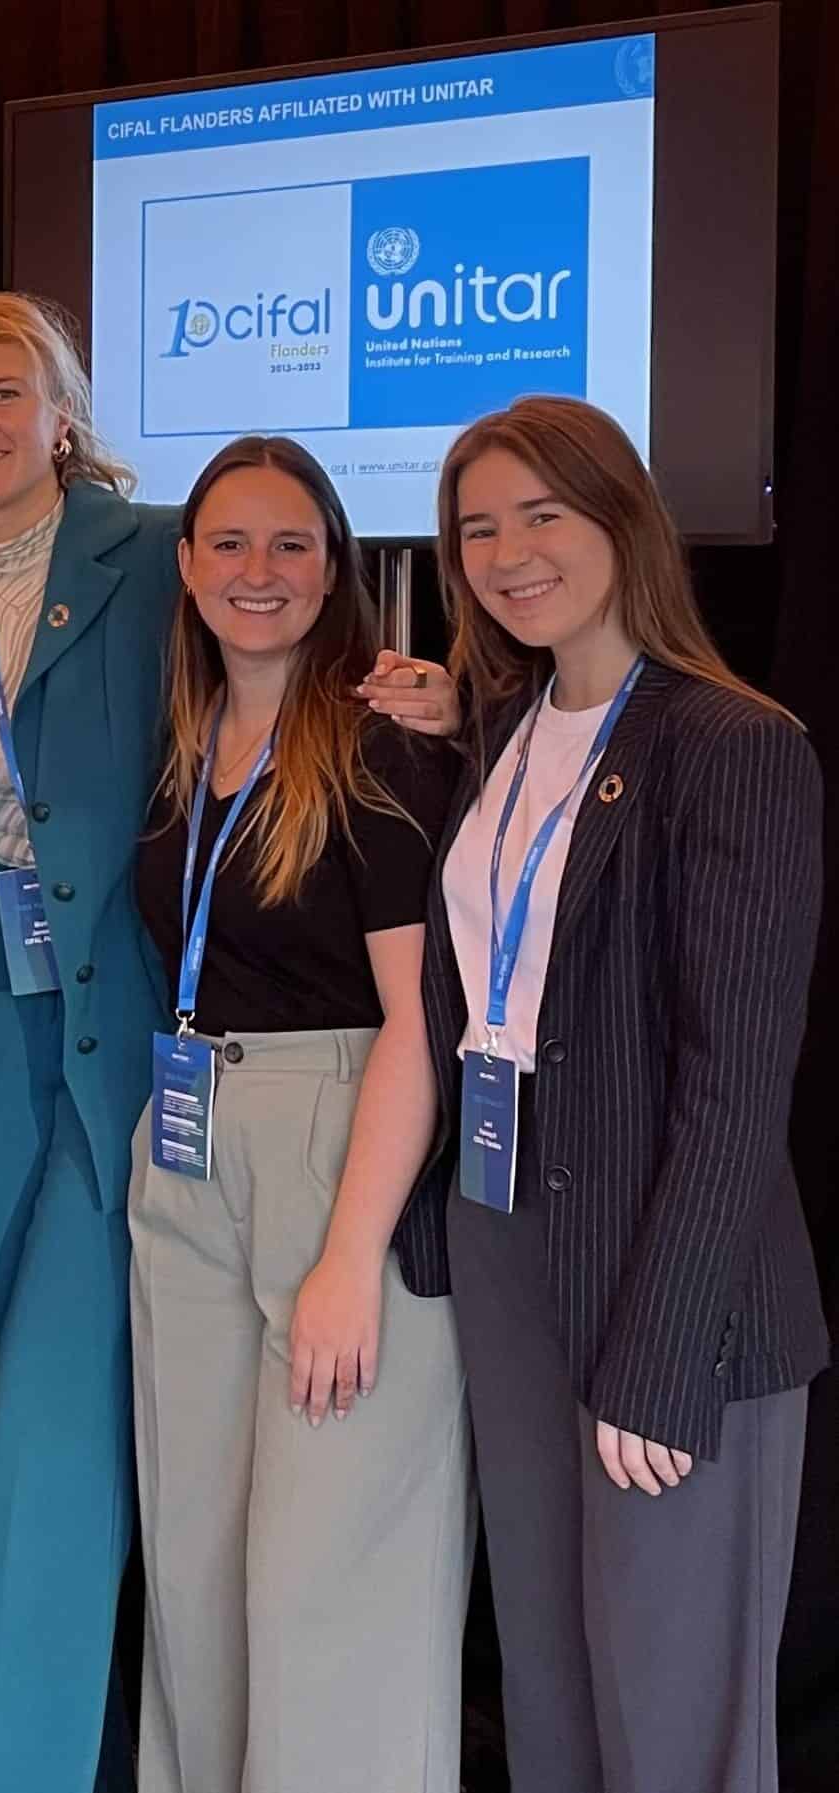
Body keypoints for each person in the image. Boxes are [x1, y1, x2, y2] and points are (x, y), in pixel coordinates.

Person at [422, 395, 828, 1793]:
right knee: (551, 1690)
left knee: (672, 1717)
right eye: (478, 529)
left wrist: (663, 1350)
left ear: (623, 518)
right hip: (506, 1242)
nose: (508, 554)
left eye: (543, 514)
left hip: (669, 1276)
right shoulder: (501, 731)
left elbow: (737, 1087)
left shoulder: (731, 743)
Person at [127, 435, 472, 1793]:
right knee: (195, 1571)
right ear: (186, 565)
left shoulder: (381, 749)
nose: (257, 570)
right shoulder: (186, 744)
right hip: (190, 1145)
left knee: (327, 1589)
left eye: (290, 544)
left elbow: (418, 1024)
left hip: (341, 1152)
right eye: (229, 543)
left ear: (335, 571)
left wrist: (350, 1256)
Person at [0, 289, 183, 1793]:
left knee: (61, 1421)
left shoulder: (160, 553)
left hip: (122, 1017)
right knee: (5, 1416)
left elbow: (277, 682)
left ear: (63, 412)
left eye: (4, 391)